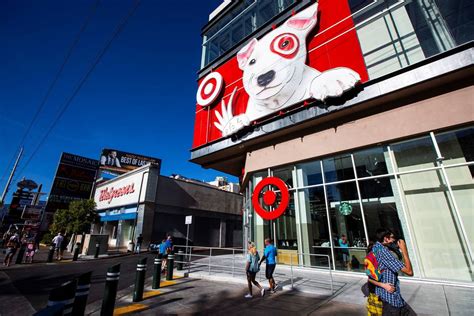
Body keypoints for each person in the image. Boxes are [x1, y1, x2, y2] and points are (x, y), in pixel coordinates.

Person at [373, 228, 415, 315]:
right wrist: (404, 250)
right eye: (392, 237)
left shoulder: (376, 247)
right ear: (385, 238)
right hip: (391, 298)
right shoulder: (383, 252)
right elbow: (409, 271)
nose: (394, 240)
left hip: (385, 294)